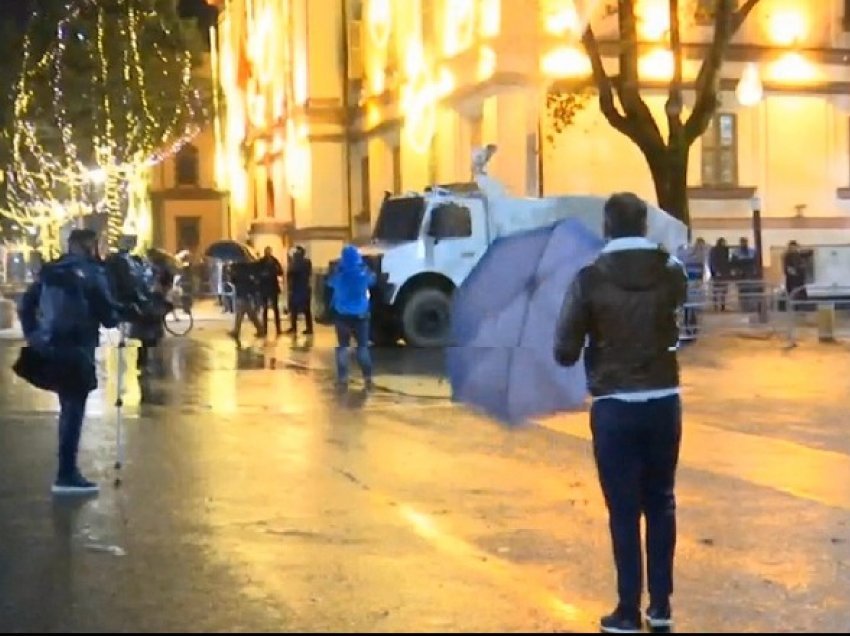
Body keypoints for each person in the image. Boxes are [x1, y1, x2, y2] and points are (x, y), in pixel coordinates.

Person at [553, 192, 687, 634]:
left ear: (607, 228)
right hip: (665, 400)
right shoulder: (671, 274)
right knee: (662, 501)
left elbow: (564, 352)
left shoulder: (589, 280)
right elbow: (674, 326)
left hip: (614, 407)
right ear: (645, 226)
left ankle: (627, 610)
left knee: (624, 510)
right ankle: (662, 606)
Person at [17, 229, 125, 495]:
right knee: (73, 410)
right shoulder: (92, 272)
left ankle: (66, 470)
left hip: (51, 347)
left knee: (68, 407)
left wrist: (34, 335)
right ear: (89, 245)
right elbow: (109, 316)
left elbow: (24, 305)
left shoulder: (51, 271)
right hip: (78, 349)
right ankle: (66, 474)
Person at [327, 245, 376, 389]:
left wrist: (337, 270)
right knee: (362, 347)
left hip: (342, 315)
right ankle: (368, 379)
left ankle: (343, 379)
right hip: (361, 315)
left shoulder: (339, 275)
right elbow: (373, 280)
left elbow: (330, 283)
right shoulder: (363, 274)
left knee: (343, 347)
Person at [227, 260, 265, 345]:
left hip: (241, 296)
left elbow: (232, 281)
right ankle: (260, 329)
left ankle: (236, 332)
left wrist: (230, 273)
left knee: (240, 315)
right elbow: (252, 286)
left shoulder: (237, 273)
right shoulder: (247, 273)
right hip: (246, 296)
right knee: (250, 315)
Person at [286, 245, 313, 335]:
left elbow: (290, 273)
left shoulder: (295, 263)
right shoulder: (307, 262)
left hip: (296, 289)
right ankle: (309, 328)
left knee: (294, 309)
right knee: (306, 310)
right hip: (305, 288)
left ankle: (294, 328)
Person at [258, 246, 284, 336]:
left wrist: (275, 271)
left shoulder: (274, 261)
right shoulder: (261, 261)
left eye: (269, 252)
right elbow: (257, 272)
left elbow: (280, 272)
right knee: (265, 309)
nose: (268, 253)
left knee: (275, 309)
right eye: (267, 252)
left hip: (272, 287)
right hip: (265, 288)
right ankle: (265, 329)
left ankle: (278, 328)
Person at [708, 237, 730, 312]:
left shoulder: (725, 249)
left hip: (723, 272)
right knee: (716, 290)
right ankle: (716, 306)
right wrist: (715, 271)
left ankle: (722, 306)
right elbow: (712, 261)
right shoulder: (715, 250)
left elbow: (727, 261)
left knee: (723, 290)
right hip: (718, 272)